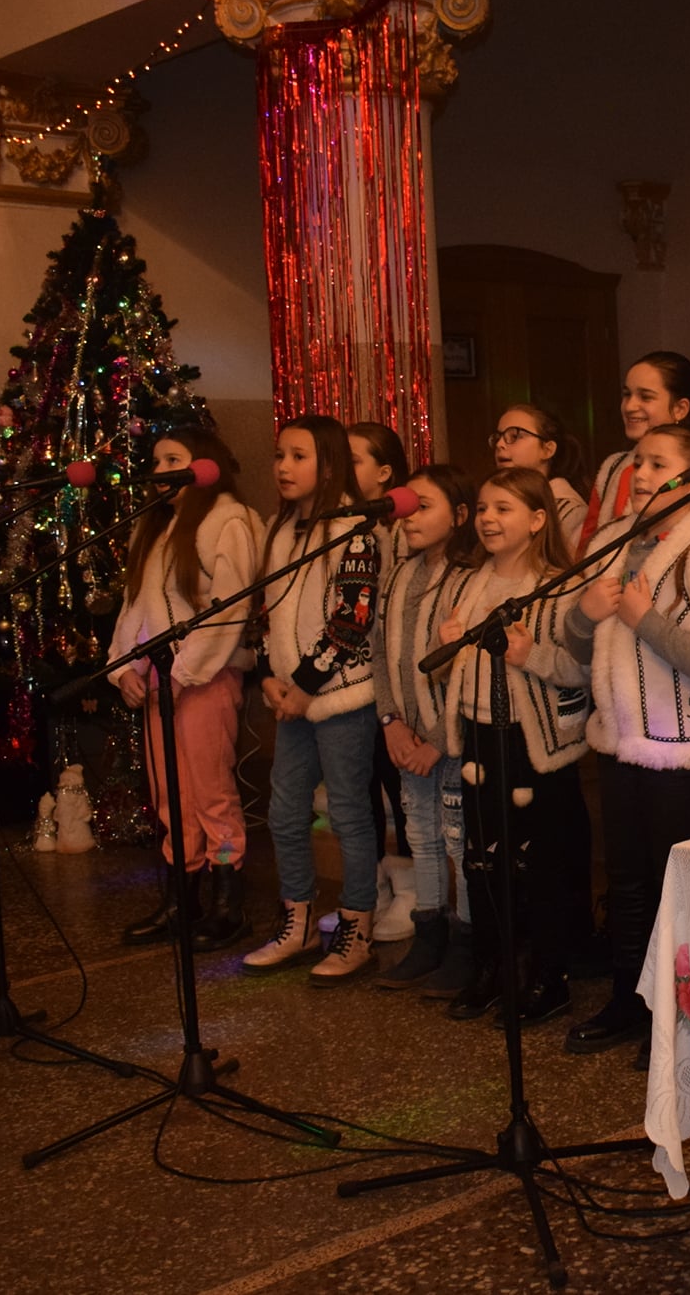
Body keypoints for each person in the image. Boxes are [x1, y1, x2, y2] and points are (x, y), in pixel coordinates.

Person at [563, 425, 690, 1064]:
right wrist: (584, 615)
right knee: (626, 883)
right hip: (620, 744)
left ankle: (675, 1017)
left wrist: (643, 621)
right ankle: (629, 1000)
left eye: (657, 463)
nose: (640, 474)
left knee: (675, 889)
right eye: (637, 462)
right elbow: (576, 646)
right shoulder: (617, 544)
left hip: (684, 752)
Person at [435, 467, 593, 1025]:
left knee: (540, 866)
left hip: (535, 745)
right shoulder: (469, 583)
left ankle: (548, 976)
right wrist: (447, 651)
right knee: (482, 860)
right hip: (480, 737)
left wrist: (531, 657)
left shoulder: (559, 587)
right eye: (482, 508)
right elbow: (451, 668)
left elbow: (580, 670)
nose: (488, 519)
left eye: (503, 508)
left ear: (537, 519)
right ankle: (493, 967)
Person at [242, 415, 385, 985]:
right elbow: (266, 613)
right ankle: (298, 921)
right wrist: (268, 677)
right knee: (284, 812)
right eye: (279, 455)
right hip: (291, 697)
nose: (283, 467)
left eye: (298, 456)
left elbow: (351, 620)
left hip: (340, 696)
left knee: (348, 814)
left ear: (328, 466)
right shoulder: (281, 530)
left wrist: (303, 686)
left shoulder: (355, 528)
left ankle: (357, 929)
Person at [108, 428, 261, 952]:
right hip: (159, 682)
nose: (161, 470)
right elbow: (135, 607)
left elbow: (230, 608)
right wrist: (124, 669)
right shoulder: (153, 528)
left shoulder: (227, 521)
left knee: (212, 796)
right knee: (171, 796)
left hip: (204, 679)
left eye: (174, 459)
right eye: (156, 461)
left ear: (205, 464)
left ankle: (228, 901)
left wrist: (184, 673)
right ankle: (182, 898)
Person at [371, 464, 482, 995]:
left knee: (460, 840)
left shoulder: (469, 580)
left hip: (449, 741)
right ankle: (429, 935)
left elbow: (468, 671)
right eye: (406, 507)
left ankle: (469, 944)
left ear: (459, 515)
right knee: (420, 835)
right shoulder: (397, 576)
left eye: (424, 506)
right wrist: (391, 721)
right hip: (406, 736)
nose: (409, 517)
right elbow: (380, 651)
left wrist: (437, 741)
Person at [347, 421, 416, 941]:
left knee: (402, 788)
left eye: (353, 461)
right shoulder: (343, 527)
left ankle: (414, 890)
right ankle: (373, 890)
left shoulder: (402, 531)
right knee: (358, 788)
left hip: (393, 684)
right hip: (351, 683)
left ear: (385, 473)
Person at [578, 350, 690, 554]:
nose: (630, 406)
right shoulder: (612, 468)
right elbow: (587, 546)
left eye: (646, 397)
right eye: (627, 394)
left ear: (680, 409)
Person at [490, 403, 589, 548]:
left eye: (514, 436)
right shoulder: (492, 503)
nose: (500, 444)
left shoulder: (570, 512)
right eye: (498, 437)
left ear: (548, 450)